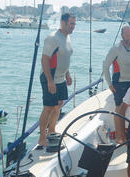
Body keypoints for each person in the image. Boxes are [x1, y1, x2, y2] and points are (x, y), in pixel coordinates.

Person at [37, 13, 76, 148]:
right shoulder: (52, 38)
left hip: (61, 78)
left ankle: (52, 130)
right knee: (48, 107)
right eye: (71, 24)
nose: (73, 27)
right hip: (50, 77)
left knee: (59, 105)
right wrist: (49, 80)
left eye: (74, 24)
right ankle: (42, 138)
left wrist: (67, 74)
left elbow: (64, 58)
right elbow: (45, 59)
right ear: (63, 23)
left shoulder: (67, 37)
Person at [103, 26, 130, 137]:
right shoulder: (116, 48)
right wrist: (109, 84)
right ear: (122, 36)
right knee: (120, 109)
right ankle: (120, 135)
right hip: (119, 82)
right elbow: (105, 66)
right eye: (128, 36)